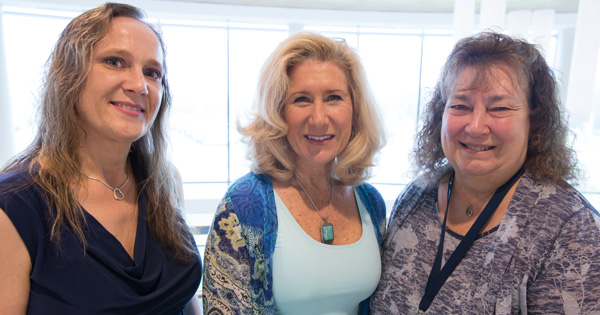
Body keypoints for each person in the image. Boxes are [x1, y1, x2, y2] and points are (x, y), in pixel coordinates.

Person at [370, 31, 600, 314]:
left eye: (499, 108)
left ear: (534, 121)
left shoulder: (569, 229)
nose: (476, 126)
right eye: (460, 106)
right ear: (440, 114)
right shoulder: (418, 196)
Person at [0, 3, 201, 314]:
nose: (139, 85)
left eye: (152, 72)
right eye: (115, 62)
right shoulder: (14, 205)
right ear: (69, 75)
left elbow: (186, 303)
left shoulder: (164, 181)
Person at [201, 32, 387, 314]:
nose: (319, 118)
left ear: (355, 111)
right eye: (301, 99)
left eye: (334, 98)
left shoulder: (371, 202)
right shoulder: (243, 205)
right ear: (277, 111)